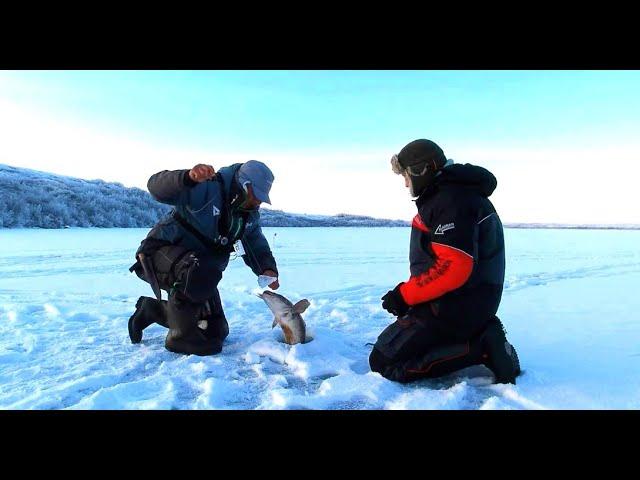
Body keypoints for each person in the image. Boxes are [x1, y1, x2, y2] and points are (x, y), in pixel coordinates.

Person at [369, 139, 521, 384]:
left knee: (384, 362)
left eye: (406, 176)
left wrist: (406, 295)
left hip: (453, 308)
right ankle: (477, 332)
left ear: (422, 170)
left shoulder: (451, 200)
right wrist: (412, 297)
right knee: (394, 345)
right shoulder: (453, 194)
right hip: (464, 303)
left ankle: (481, 346)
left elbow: (454, 268)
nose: (406, 183)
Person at [127, 160, 279, 356]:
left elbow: (255, 243)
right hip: (157, 255)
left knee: (217, 330)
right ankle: (180, 338)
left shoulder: (246, 215)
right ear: (244, 185)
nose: (258, 201)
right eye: (256, 195)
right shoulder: (205, 188)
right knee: (202, 268)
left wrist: (267, 268)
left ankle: (151, 310)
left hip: (197, 272)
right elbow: (155, 187)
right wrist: (187, 178)